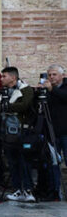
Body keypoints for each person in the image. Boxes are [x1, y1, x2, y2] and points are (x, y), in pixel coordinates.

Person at [0, 67, 36, 203]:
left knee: (24, 161)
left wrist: (7, 106)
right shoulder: (3, 91)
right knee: (12, 162)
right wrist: (6, 106)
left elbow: (24, 105)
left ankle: (27, 189)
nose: (1, 79)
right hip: (7, 132)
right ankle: (17, 190)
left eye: (4, 76)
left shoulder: (26, 90)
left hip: (23, 131)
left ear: (13, 77)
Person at [38, 64, 67, 201]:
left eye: (54, 74)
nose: (51, 77)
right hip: (52, 132)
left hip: (65, 132)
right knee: (53, 163)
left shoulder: (61, 88)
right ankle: (54, 191)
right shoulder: (47, 91)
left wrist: (52, 89)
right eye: (49, 75)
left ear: (63, 75)